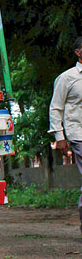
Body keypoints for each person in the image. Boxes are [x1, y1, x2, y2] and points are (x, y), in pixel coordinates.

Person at [49, 36, 82, 235]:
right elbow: (56, 108)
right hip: (78, 134)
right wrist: (59, 136)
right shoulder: (67, 77)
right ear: (78, 52)